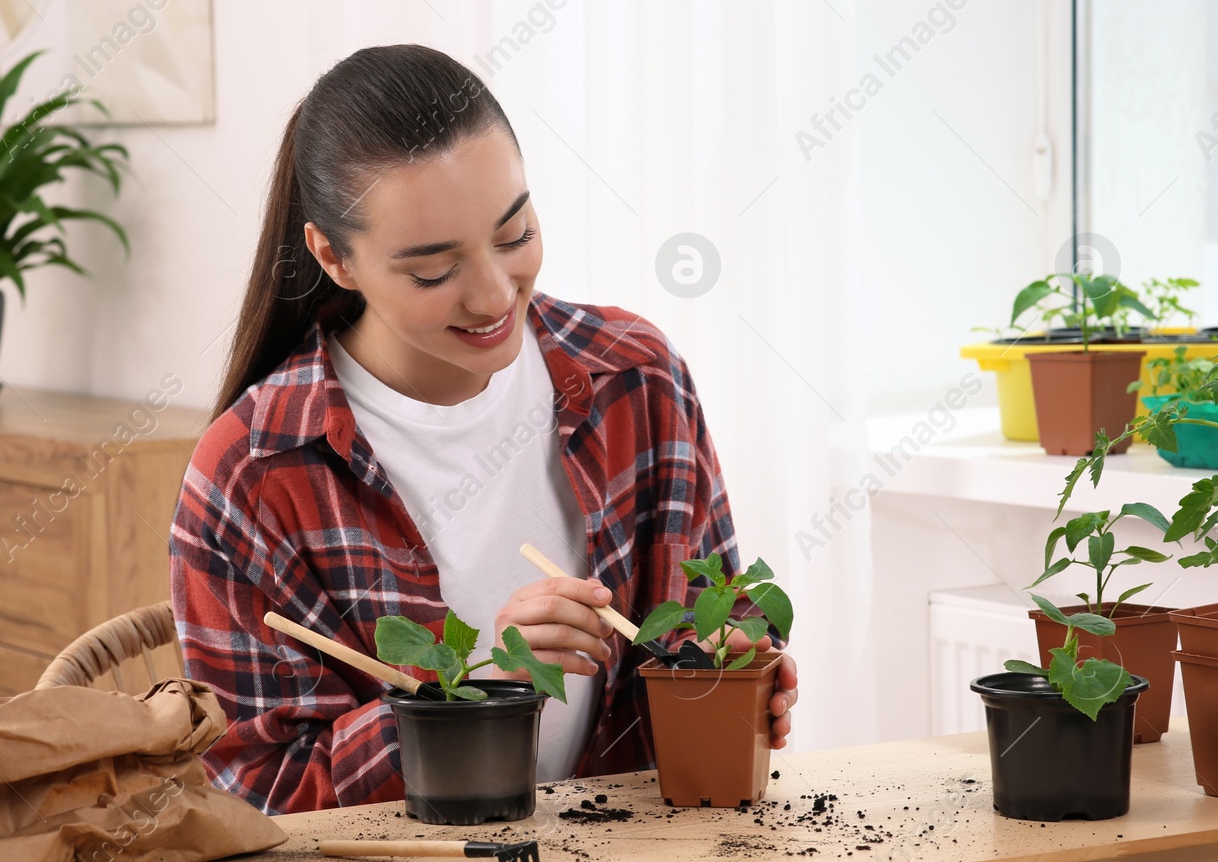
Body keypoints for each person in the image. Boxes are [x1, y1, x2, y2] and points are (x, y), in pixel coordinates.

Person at [170, 44, 798, 816]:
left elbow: (719, 613)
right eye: (435, 272)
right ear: (334, 256)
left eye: (515, 233)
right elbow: (257, 795)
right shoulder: (255, 472)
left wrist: (737, 669)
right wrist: (469, 688)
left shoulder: (637, 379)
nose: (496, 293)